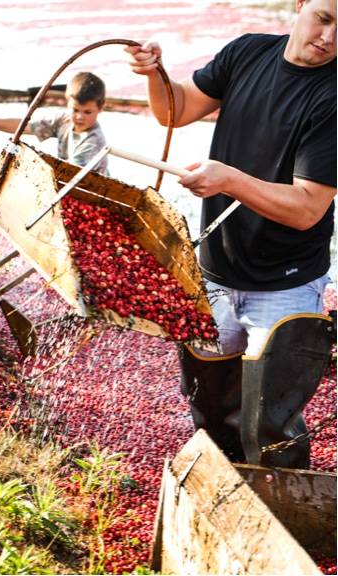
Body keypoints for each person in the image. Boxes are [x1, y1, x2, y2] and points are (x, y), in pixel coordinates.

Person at [126, 0, 336, 468]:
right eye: (323, 18)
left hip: (286, 285)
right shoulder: (247, 54)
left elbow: (307, 209)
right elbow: (174, 110)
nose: (328, 37)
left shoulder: (334, 97)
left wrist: (229, 180)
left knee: (272, 423)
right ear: (300, 5)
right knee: (208, 403)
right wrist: (154, 73)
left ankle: (281, 514)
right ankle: (218, 487)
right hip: (216, 272)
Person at [0, 71, 110, 175]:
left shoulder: (92, 142)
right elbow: (26, 127)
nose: (80, 117)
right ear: (67, 102)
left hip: (87, 192)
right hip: (66, 181)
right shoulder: (64, 120)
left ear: (100, 108)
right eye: (75, 109)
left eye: (87, 112)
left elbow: (72, 176)